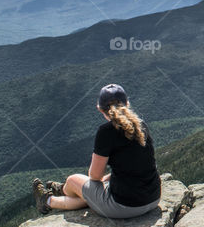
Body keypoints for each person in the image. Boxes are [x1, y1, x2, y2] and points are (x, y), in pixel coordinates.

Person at [32, 84, 162, 218]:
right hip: (153, 198)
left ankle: (49, 200)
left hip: (124, 207)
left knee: (73, 180)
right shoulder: (141, 125)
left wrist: (100, 180)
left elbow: (95, 176)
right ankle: (59, 192)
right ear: (127, 103)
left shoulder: (106, 132)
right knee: (89, 191)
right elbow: (137, 166)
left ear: (100, 109)